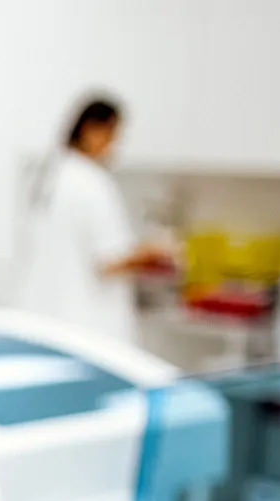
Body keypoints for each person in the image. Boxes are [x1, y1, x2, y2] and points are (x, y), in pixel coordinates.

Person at [18, 95, 174, 343]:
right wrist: (154, 252)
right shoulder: (92, 182)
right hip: (88, 328)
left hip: (47, 322)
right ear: (91, 130)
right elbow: (109, 261)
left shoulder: (49, 176)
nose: (114, 146)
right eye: (112, 136)